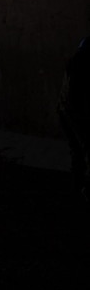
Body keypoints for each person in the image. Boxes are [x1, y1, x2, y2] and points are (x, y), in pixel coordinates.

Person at [60, 36, 89, 201]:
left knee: (77, 151)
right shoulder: (81, 64)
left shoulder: (75, 61)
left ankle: (78, 186)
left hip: (66, 111)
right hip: (74, 112)